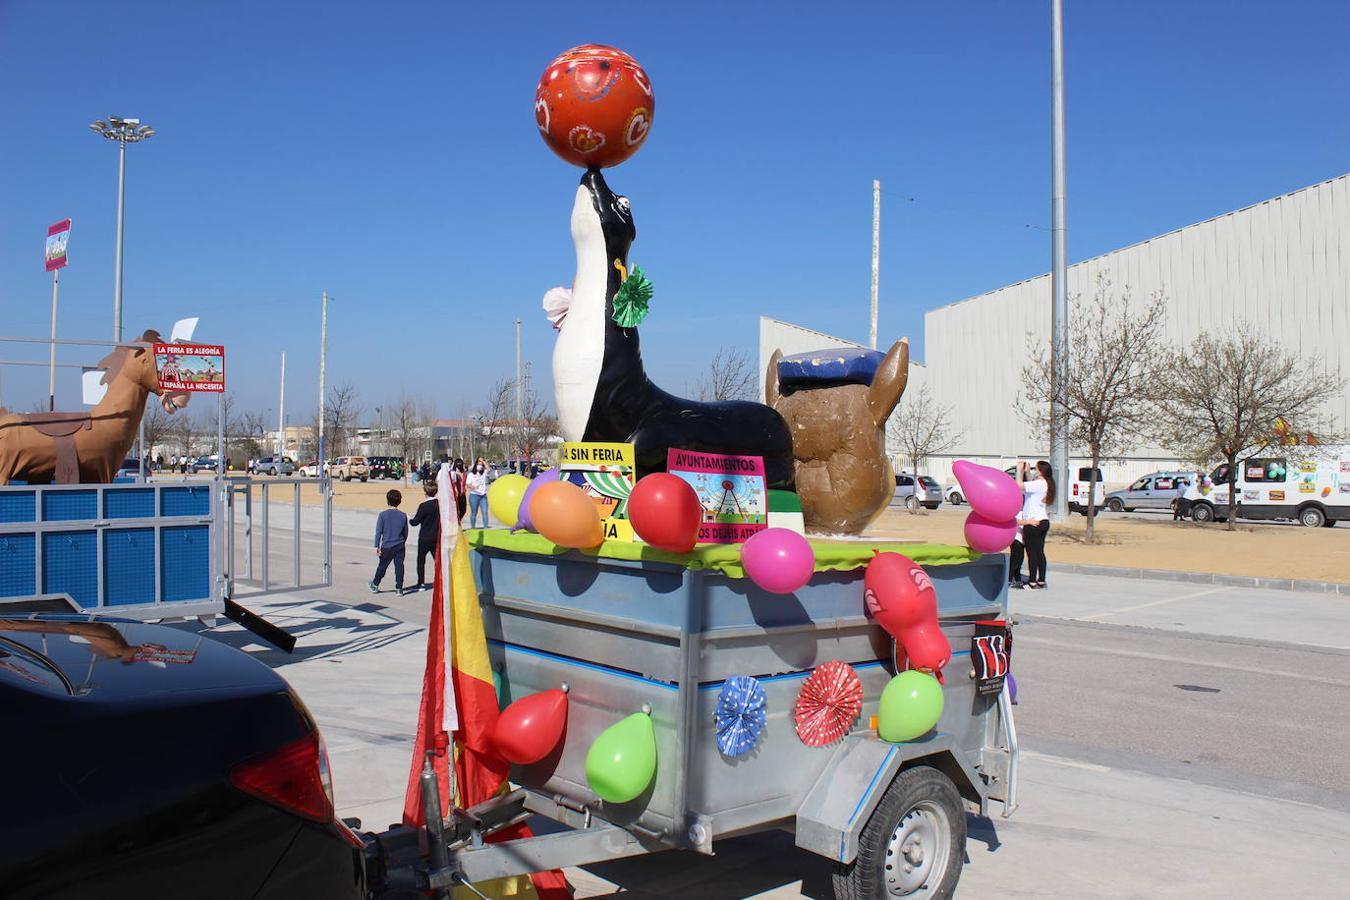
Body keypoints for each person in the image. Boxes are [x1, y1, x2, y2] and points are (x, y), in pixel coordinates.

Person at [1016, 460, 1055, 590]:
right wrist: (1027, 472)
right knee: (1039, 552)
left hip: (1032, 522)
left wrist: (1019, 470)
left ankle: (1032, 581)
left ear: (1040, 471)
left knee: (1032, 553)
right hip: (1043, 521)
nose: (1034, 471)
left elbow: (1019, 486)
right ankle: (1041, 580)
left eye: (1035, 469)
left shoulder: (1039, 484)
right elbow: (1030, 485)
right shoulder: (1046, 484)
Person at [370, 489, 409, 595]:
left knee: (382, 566)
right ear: (399, 501)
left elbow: (378, 532)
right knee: (399, 567)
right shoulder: (403, 515)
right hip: (399, 545)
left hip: (387, 545)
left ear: (388, 501)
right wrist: (402, 541)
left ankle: (375, 584)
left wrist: (376, 546)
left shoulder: (383, 515)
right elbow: (405, 532)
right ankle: (399, 588)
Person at [409, 481, 440, 591]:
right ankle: (440, 581)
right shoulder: (439, 504)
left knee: (421, 560)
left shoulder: (424, 506)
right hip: (436, 536)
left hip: (425, 537)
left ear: (425, 492)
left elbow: (416, 521)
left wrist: (411, 521)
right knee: (437, 560)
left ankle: (421, 583)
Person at [466, 459, 490, 528]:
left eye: (481, 465)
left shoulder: (484, 472)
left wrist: (484, 462)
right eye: (478, 464)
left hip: (483, 496)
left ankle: (485, 527)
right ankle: (473, 527)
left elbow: (488, 469)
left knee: (485, 512)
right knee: (474, 512)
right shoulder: (471, 474)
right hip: (474, 495)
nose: (480, 466)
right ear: (475, 465)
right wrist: (473, 487)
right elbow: (468, 484)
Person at [451, 458, 468, 523]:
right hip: (455, 494)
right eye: (458, 464)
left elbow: (465, 482)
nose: (459, 465)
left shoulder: (464, 473)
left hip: (462, 494)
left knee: (463, 510)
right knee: (455, 510)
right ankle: (456, 523)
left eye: (460, 464)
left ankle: (458, 521)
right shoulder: (453, 473)